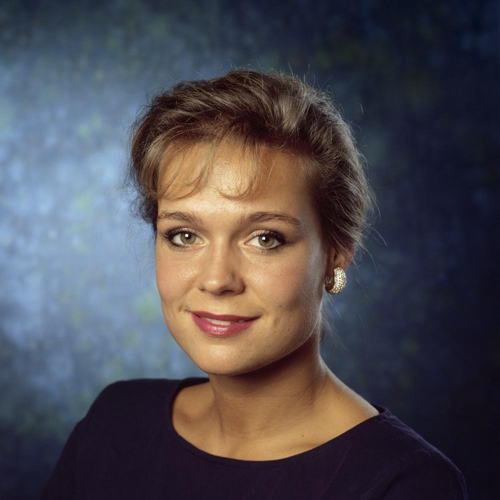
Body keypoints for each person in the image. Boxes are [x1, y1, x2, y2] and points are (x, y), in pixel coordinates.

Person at [42, 69, 467, 499]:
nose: (216, 280)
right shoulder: (115, 424)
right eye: (184, 235)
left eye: (265, 239)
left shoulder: (404, 483)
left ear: (336, 254)